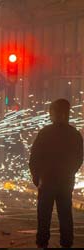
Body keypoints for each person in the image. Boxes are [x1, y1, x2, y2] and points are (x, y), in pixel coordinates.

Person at [29, 99, 83, 248]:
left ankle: (42, 243)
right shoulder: (74, 134)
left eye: (51, 112)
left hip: (47, 179)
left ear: (56, 113)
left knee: (44, 214)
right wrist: (70, 172)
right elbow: (79, 158)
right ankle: (66, 243)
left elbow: (34, 156)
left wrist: (36, 176)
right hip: (65, 180)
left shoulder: (46, 132)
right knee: (65, 213)